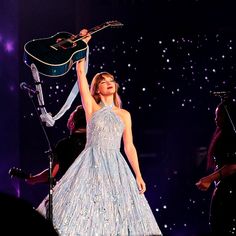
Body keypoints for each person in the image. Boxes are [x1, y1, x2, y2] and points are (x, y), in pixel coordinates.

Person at [37, 29, 162, 235]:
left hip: (116, 165)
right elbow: (80, 74)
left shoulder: (124, 114)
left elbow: (129, 146)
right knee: (87, 208)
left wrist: (138, 174)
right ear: (97, 88)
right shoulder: (91, 108)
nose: (109, 83)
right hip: (92, 161)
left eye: (111, 79)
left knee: (117, 211)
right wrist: (83, 46)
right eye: (103, 81)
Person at [196, 98, 236, 235]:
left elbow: (233, 165)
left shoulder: (231, 137)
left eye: (219, 115)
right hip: (224, 189)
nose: (215, 119)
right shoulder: (222, 135)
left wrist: (209, 179)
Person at [26, 105, 86, 185]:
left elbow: (51, 174)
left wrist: (34, 179)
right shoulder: (95, 141)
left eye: (70, 117)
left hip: (72, 190)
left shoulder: (64, 145)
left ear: (72, 123)